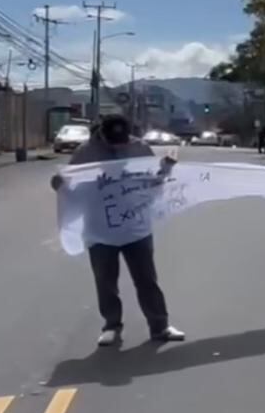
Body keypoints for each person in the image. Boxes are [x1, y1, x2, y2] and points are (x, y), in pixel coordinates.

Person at [50, 114, 185, 346]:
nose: (119, 146)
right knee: (105, 280)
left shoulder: (139, 148)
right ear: (102, 135)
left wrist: (165, 168)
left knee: (146, 278)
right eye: (114, 142)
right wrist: (60, 185)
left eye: (123, 141)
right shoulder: (86, 153)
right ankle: (111, 325)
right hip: (100, 228)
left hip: (135, 225)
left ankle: (160, 325)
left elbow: (152, 183)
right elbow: (72, 185)